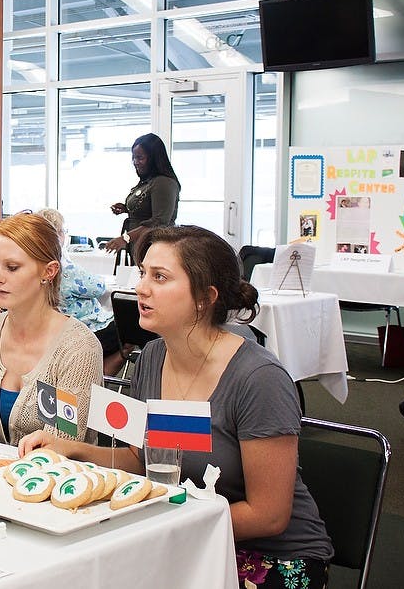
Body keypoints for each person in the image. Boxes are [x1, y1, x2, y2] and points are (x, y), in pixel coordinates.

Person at [20, 225, 332, 588]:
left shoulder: (259, 378)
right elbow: (143, 461)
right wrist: (73, 449)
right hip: (183, 533)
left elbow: (269, 515)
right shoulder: (152, 356)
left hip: (268, 555)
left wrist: (167, 526)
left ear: (205, 297)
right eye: (142, 274)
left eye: (160, 277)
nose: (141, 288)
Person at [0, 212, 102, 446]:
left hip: (53, 478)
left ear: (48, 271)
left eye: (12, 267)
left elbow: (59, 446)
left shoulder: (79, 347)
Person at [37, 208, 126, 376]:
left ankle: (98, 370)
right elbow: (98, 287)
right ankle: (108, 367)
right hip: (88, 330)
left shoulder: (34, 267)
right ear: (58, 235)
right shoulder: (65, 269)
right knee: (130, 321)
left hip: (55, 335)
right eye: (63, 231)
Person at [105, 133, 180, 260]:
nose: (135, 162)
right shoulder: (148, 181)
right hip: (140, 247)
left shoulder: (163, 182)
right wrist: (126, 209)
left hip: (154, 248)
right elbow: (148, 208)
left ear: (154, 158)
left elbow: (159, 222)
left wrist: (125, 238)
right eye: (133, 158)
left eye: (140, 158)